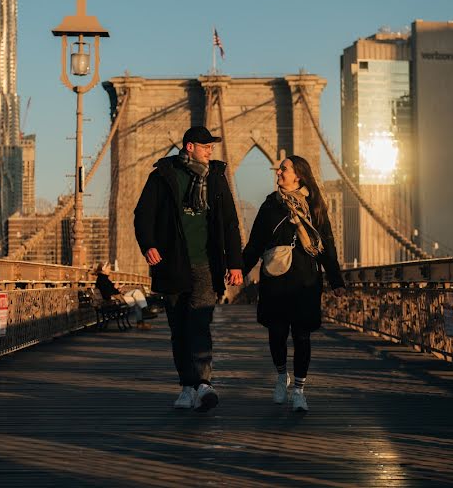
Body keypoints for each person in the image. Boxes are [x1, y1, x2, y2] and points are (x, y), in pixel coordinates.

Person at [134, 126, 244, 412]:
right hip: (172, 264)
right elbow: (142, 214)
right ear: (190, 146)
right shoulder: (162, 176)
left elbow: (231, 222)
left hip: (206, 264)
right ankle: (187, 385)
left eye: (212, 146)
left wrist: (235, 263)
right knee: (179, 328)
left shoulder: (217, 178)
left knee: (200, 321)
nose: (211, 151)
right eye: (206, 146)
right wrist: (149, 245)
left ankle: (204, 383)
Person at [242, 155, 344, 412]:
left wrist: (336, 279)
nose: (278, 171)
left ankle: (299, 389)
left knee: (301, 335)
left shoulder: (315, 204)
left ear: (298, 175)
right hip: (275, 278)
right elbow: (255, 242)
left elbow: (327, 244)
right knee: (276, 334)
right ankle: (280, 376)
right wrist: (238, 270)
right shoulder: (270, 205)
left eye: (283, 169)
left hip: (305, 278)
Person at [94, 263, 154, 330]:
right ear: (103, 269)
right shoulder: (102, 279)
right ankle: (142, 316)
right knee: (138, 299)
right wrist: (115, 288)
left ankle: (144, 313)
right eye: (108, 268)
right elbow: (107, 294)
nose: (110, 270)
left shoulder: (103, 278)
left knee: (136, 292)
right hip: (114, 300)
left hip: (116, 297)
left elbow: (108, 290)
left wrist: (117, 288)